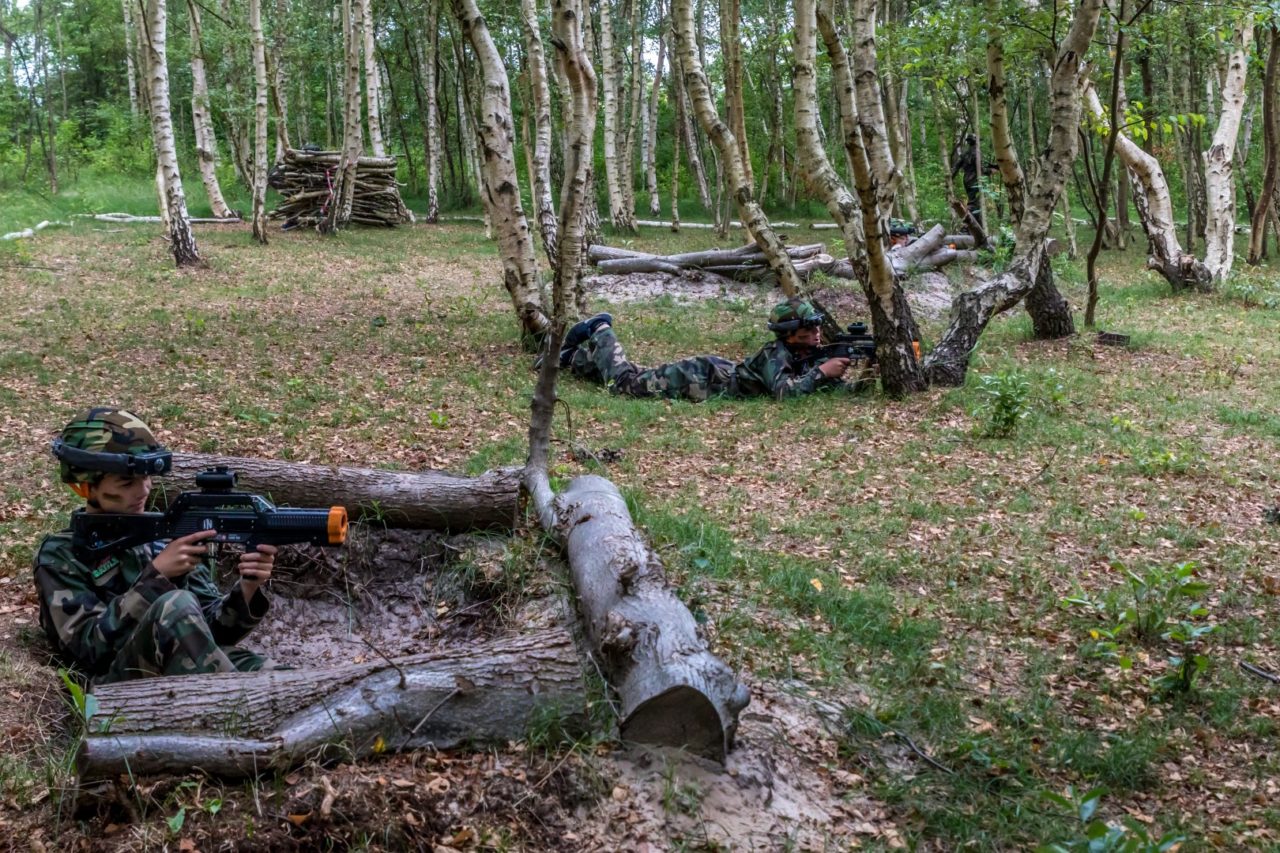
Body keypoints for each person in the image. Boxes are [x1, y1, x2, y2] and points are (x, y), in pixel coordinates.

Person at [34, 408, 279, 685]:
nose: (144, 490)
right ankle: (238, 710)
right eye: (127, 483)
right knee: (176, 604)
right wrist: (157, 577)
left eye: (147, 478)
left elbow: (210, 634)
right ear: (84, 487)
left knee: (279, 678)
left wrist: (247, 588)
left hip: (176, 668)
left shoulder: (160, 538)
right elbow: (90, 650)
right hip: (112, 689)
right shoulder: (61, 555)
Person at [558, 299, 858, 402]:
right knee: (626, 385)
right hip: (699, 378)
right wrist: (823, 371)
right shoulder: (774, 354)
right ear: (790, 335)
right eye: (809, 329)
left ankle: (571, 359)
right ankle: (601, 330)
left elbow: (826, 388)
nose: (818, 334)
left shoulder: (800, 353)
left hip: (715, 375)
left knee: (638, 375)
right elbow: (785, 393)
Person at [951, 134, 984, 229]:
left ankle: (978, 227)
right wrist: (991, 171)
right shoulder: (976, 153)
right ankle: (966, 226)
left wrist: (950, 178)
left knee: (975, 204)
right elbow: (981, 169)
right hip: (975, 181)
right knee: (973, 204)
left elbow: (956, 167)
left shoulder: (965, 154)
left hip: (966, 180)